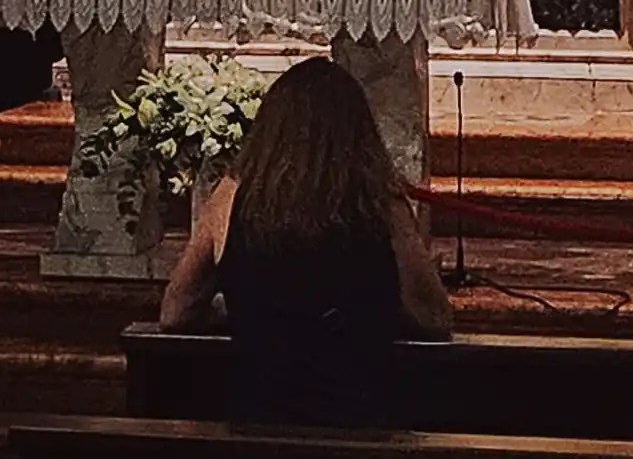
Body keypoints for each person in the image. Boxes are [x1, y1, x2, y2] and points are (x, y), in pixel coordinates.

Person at [159, 56, 451, 427]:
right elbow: (433, 316)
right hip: (359, 425)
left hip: (258, 425)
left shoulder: (231, 197)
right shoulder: (378, 202)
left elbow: (176, 312)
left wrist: (241, 307)